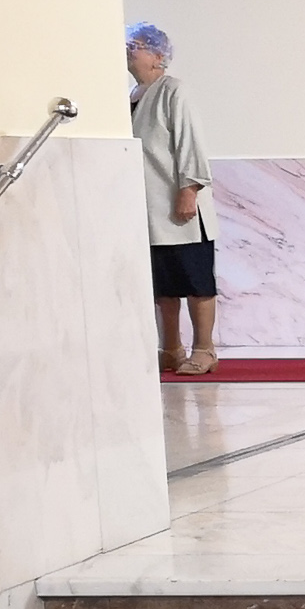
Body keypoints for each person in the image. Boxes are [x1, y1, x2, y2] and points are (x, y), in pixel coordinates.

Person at [125, 23, 220, 377]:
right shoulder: (132, 95)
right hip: (149, 210)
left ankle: (204, 349)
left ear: (157, 55)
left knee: (195, 283)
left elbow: (190, 142)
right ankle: (171, 349)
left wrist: (188, 190)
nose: (127, 51)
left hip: (181, 208)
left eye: (135, 45)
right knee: (163, 288)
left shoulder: (174, 91)